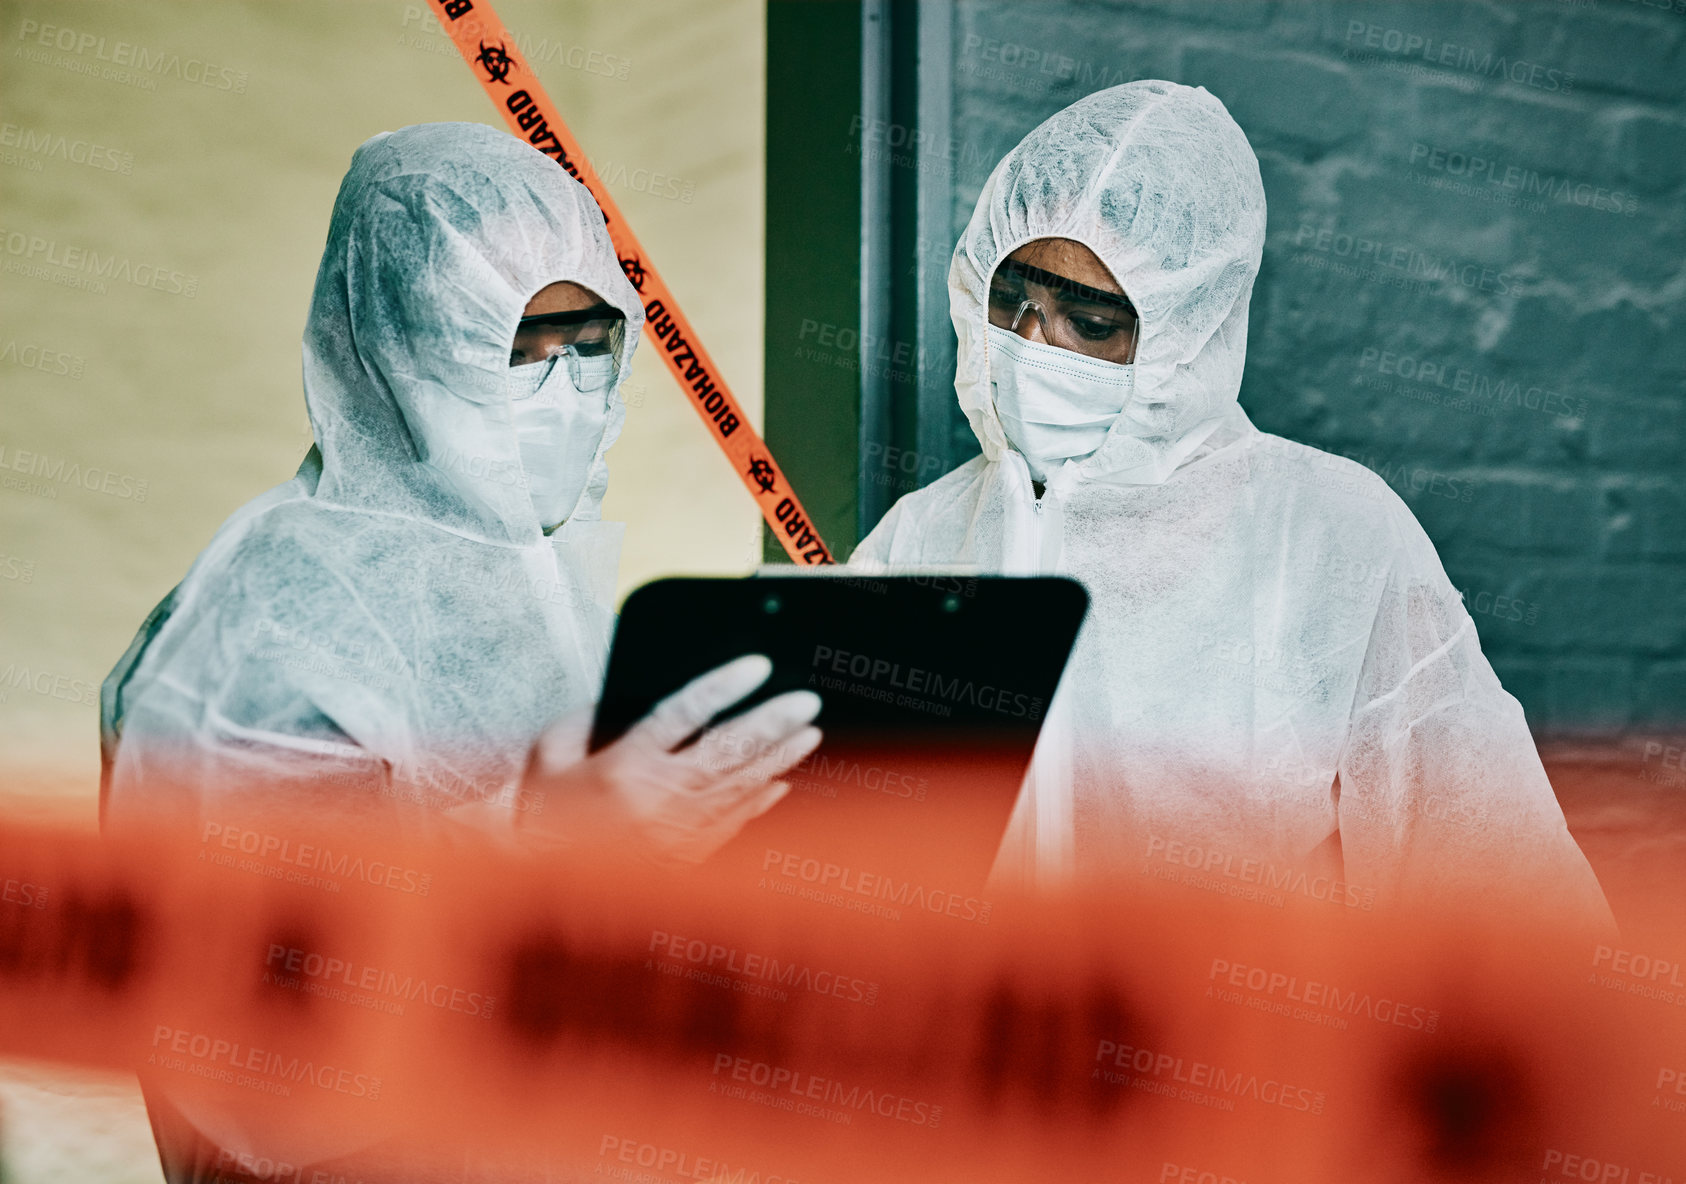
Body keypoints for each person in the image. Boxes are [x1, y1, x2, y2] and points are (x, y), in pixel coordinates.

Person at [98, 121, 819, 1180]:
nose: (568, 386)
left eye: (590, 341)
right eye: (519, 344)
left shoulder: (541, 592)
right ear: (395, 344)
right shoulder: (265, 619)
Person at [851, 81, 1614, 933]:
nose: (1032, 346)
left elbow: (1503, 894)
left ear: (1190, 330)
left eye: (1091, 322)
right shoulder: (920, 540)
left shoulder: (1329, 537)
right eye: (1010, 299)